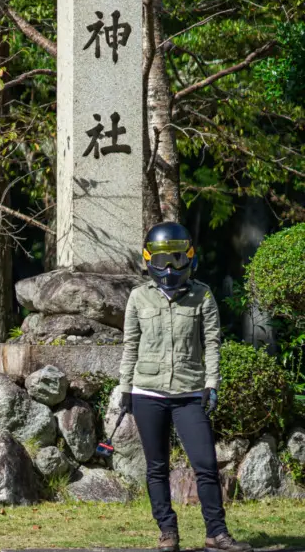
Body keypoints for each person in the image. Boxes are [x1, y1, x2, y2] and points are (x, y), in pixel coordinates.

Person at [118, 222, 252, 552]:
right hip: (147, 392)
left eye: (177, 259)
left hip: (190, 392)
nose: (169, 267)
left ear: (189, 258)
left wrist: (211, 384)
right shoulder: (138, 297)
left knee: (206, 464)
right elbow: (130, 345)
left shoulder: (202, 295)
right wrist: (124, 388)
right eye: (162, 260)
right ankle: (167, 532)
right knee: (157, 468)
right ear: (148, 260)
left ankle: (216, 534)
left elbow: (212, 342)